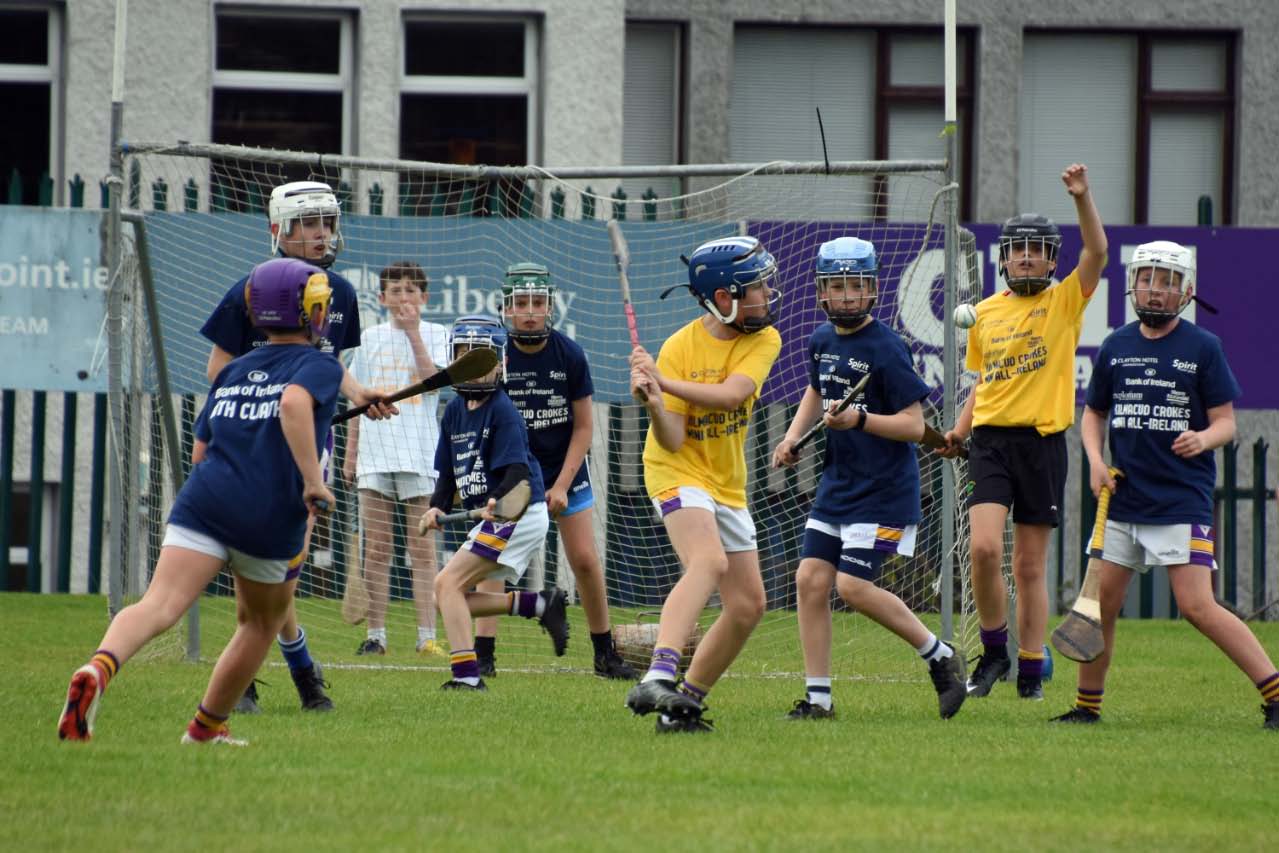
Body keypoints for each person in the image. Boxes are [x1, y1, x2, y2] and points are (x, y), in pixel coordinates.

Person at [58, 258, 344, 745]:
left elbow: (201, 449)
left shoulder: (233, 369)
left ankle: (98, 668)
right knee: (261, 622)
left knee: (159, 603)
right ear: (313, 310)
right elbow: (294, 404)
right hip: (268, 515)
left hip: (204, 501)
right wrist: (313, 482)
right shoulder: (320, 365)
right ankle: (206, 728)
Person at [1052, 241, 1279, 730]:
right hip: (1122, 499)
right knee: (1100, 607)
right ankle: (1086, 709)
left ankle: (1276, 692)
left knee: (1197, 606)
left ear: (1187, 291)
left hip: (1180, 500)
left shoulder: (1203, 348)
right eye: (1148, 279)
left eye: (1168, 282)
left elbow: (1227, 424)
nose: (1156, 291)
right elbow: (1093, 414)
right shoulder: (1116, 345)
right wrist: (1095, 461)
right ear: (1134, 284)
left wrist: (1203, 437)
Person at [200, 180, 393, 714]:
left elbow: (331, 366)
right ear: (278, 229)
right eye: (309, 223)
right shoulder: (249, 291)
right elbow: (217, 369)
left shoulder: (341, 295)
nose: (321, 234)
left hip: (312, 448)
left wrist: (359, 394)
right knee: (269, 566)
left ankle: (279, 674)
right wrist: (274, 391)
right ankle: (294, 676)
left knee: (282, 566)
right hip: (257, 442)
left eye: (327, 222)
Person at [772, 237, 967, 721]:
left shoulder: (887, 346)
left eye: (855, 286)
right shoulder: (821, 340)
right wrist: (792, 437)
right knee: (810, 581)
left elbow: (914, 425)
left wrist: (859, 419)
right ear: (822, 291)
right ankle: (819, 700)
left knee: (852, 588)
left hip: (884, 492)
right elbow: (815, 394)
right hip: (838, 487)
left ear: (872, 289)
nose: (845, 296)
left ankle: (940, 656)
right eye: (836, 286)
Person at [936, 163, 1107, 701]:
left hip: (1042, 444)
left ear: (1053, 259)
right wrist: (958, 431)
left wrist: (1082, 198)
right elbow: (984, 383)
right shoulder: (984, 313)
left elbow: (1098, 253)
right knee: (985, 550)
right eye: (1018, 249)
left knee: (1030, 566)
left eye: (1038, 249)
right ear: (1003, 258)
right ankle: (994, 653)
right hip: (989, 443)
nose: (1027, 256)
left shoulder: (1063, 302)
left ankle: (1031, 668)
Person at [624, 235, 782, 733]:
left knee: (748, 605)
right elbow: (672, 439)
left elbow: (731, 396)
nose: (766, 295)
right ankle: (657, 674)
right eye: (755, 288)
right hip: (676, 470)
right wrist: (653, 403)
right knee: (708, 561)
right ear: (723, 298)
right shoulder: (678, 347)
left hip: (726, 482)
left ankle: (683, 704)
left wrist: (662, 384)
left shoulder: (764, 339)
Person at [472, 262, 634, 679]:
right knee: (492, 562)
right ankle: (483, 655)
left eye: (538, 302)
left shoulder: (569, 354)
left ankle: (605, 651)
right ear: (506, 308)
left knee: (583, 560)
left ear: (551, 306)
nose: (530, 311)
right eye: (521, 303)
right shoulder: (495, 357)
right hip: (512, 474)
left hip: (564, 470)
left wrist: (561, 484)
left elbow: (583, 428)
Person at [419, 315, 570, 691]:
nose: (473, 364)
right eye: (463, 355)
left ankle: (467, 678)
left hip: (519, 511)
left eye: (481, 357)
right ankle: (538, 605)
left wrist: (495, 501)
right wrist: (437, 506)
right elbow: (449, 475)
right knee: (448, 595)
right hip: (503, 515)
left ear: (500, 364)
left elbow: (517, 473)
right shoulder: (453, 411)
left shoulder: (503, 410)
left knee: (446, 583)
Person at [342, 262, 450, 657]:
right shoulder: (369, 338)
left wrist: (413, 334)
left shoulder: (438, 334)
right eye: (395, 291)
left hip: (419, 456)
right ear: (382, 298)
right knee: (378, 548)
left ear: (424, 297)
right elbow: (356, 399)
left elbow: (434, 382)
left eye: (410, 290)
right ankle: (377, 635)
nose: (403, 298)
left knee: (422, 550)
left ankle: (426, 637)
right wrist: (351, 454)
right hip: (374, 456)